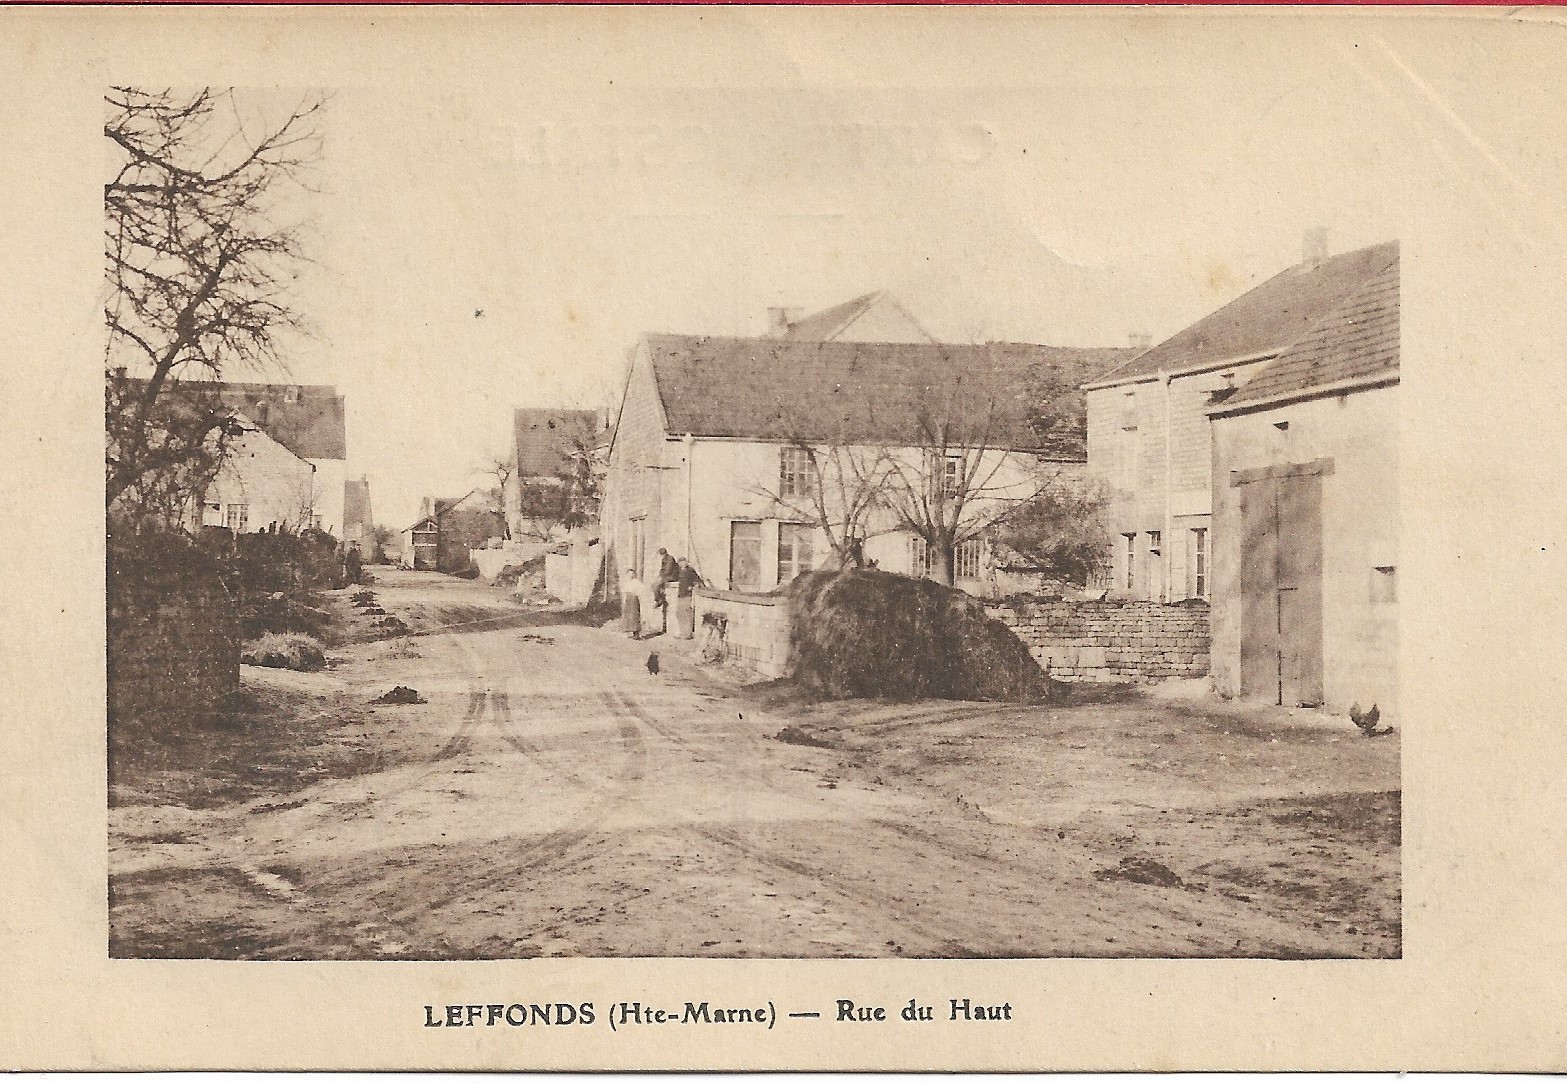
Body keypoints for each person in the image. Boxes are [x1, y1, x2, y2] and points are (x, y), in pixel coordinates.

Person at [673, 556, 705, 640]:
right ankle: (682, 632)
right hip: (680, 594)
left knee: (687, 614)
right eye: (680, 562)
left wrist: (693, 586)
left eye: (684, 561)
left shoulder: (690, 570)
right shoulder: (678, 571)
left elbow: (697, 580)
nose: (682, 563)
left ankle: (688, 634)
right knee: (679, 614)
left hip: (687, 595)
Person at [653, 547, 679, 633]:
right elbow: (662, 570)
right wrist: (659, 576)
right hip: (667, 576)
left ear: (664, 554)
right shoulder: (664, 559)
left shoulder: (670, 559)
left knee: (657, 585)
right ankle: (658, 599)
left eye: (661, 555)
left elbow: (668, 570)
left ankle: (659, 600)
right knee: (654, 584)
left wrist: (662, 578)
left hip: (672, 576)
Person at [620, 566, 644, 639]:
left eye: (632, 574)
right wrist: (624, 600)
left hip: (634, 599)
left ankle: (636, 634)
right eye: (629, 574)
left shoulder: (636, 582)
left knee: (635, 616)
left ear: (634, 574)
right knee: (628, 616)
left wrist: (636, 594)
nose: (631, 575)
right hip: (628, 599)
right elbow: (624, 591)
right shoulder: (626, 582)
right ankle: (630, 632)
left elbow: (642, 589)